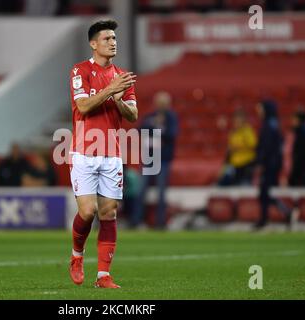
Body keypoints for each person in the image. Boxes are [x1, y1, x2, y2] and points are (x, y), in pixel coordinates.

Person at [68, 20, 138, 289]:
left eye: (114, 38)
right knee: (87, 211)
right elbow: (83, 106)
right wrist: (111, 90)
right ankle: (76, 256)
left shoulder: (123, 76)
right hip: (84, 151)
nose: (113, 42)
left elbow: (133, 115)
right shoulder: (80, 70)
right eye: (107, 38)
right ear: (93, 43)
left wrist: (119, 98)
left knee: (108, 213)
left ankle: (103, 276)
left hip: (111, 153)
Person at [130, 91, 178, 229]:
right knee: (140, 191)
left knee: (161, 192)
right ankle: (136, 221)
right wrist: (154, 126)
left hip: (163, 159)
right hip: (149, 158)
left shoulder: (171, 118)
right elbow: (140, 129)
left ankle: (160, 223)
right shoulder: (150, 117)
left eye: (164, 103)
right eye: (160, 103)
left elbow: (172, 134)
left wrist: (159, 131)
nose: (161, 106)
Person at [254, 100, 292, 230]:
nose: (258, 112)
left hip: (269, 164)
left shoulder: (269, 126)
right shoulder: (273, 124)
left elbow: (267, 147)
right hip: (272, 164)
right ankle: (281, 212)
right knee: (264, 193)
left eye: (260, 109)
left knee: (264, 193)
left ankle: (268, 217)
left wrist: (261, 162)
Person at [218, 109, 257, 186]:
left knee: (243, 185)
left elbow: (253, 145)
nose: (237, 122)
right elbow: (230, 147)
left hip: (245, 163)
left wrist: (238, 147)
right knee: (224, 182)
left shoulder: (248, 131)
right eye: (236, 119)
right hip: (235, 163)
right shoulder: (233, 132)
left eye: (239, 119)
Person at [288, 110, 305, 186]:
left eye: (294, 119)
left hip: (301, 162)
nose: (292, 121)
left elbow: (301, 150)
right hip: (300, 161)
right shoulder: (300, 131)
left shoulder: (302, 132)